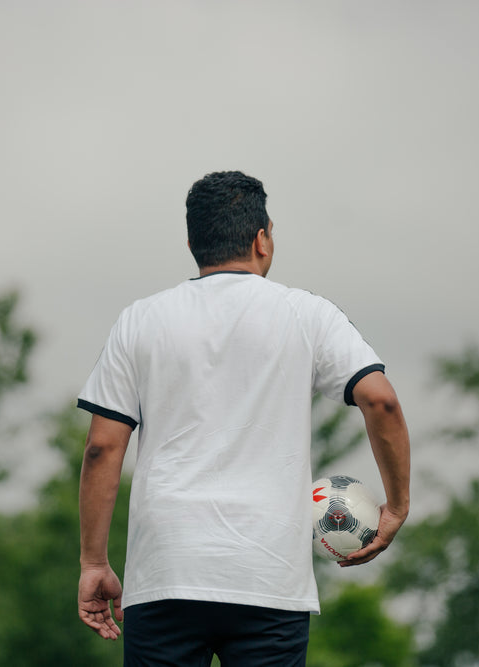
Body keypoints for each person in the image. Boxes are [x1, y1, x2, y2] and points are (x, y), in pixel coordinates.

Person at [77, 171, 411, 666]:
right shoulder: (308, 314)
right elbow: (380, 400)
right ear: (262, 239)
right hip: (269, 577)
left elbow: (102, 448)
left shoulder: (140, 320)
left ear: (193, 242)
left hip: (166, 573)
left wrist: (94, 561)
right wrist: (397, 505)